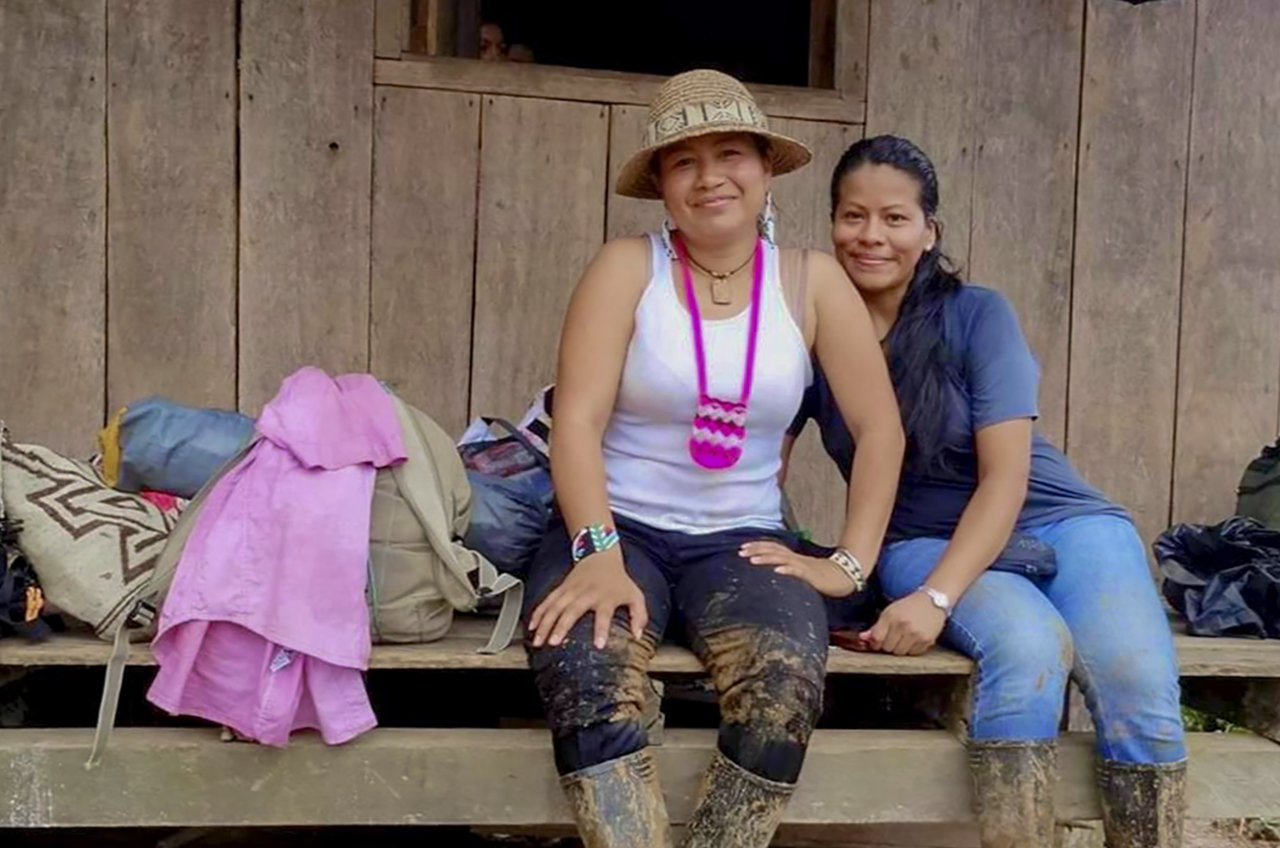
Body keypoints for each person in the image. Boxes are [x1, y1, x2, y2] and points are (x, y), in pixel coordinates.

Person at [525, 71, 904, 848]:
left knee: (784, 685)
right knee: (587, 669)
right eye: (683, 161)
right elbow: (578, 422)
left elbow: (880, 430)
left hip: (743, 539)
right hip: (614, 523)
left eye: (730, 153)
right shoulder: (627, 267)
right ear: (661, 184)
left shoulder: (813, 281)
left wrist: (851, 563)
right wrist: (594, 552)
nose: (709, 177)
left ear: (766, 169)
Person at [786, 135, 1187, 848]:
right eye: (852, 217)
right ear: (830, 224)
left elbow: (1007, 475)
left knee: (1138, 686)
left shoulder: (976, 315)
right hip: (921, 540)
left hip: (1062, 522)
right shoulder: (804, 335)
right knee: (1028, 653)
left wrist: (937, 600)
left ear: (929, 231)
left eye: (894, 218)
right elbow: (762, 461)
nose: (871, 235)